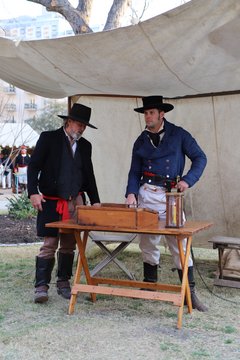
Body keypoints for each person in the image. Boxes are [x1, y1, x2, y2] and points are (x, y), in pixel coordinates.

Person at [125, 95, 208, 312]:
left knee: (179, 243)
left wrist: (187, 181)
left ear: (162, 114)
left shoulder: (179, 134)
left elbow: (200, 158)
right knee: (148, 242)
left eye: (151, 112)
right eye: (145, 113)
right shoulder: (140, 140)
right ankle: (150, 286)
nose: (147, 116)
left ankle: (190, 293)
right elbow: (134, 171)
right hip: (146, 196)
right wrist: (131, 194)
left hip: (170, 196)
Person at [27, 103, 101, 304]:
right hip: (52, 201)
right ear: (69, 121)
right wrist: (33, 192)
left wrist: (95, 202)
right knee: (49, 243)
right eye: (79, 124)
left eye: (84, 126)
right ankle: (41, 286)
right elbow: (33, 167)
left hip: (75, 201)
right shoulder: (48, 138)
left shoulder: (85, 146)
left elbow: (89, 175)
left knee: (69, 244)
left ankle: (63, 282)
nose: (82, 128)